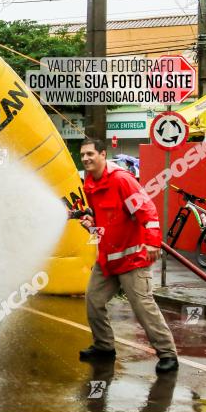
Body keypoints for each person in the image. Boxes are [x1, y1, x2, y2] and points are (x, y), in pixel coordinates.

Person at [76, 137, 179, 374]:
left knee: (142, 305)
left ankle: (168, 355)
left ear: (103, 154)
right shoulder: (90, 183)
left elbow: (147, 210)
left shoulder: (122, 180)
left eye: (90, 154)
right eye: (83, 155)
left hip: (133, 259)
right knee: (93, 300)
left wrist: (153, 243)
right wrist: (91, 224)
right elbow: (102, 221)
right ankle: (104, 347)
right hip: (108, 257)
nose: (86, 159)